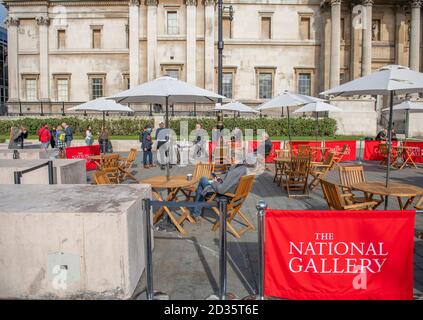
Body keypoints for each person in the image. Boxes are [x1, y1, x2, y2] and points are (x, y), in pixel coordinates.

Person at [190, 155, 257, 221]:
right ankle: (196, 212)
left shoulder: (235, 172)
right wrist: (232, 166)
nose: (231, 159)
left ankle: (196, 212)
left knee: (203, 180)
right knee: (204, 184)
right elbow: (230, 180)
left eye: (233, 158)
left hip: (226, 196)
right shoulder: (246, 171)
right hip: (237, 197)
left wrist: (214, 182)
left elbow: (221, 190)